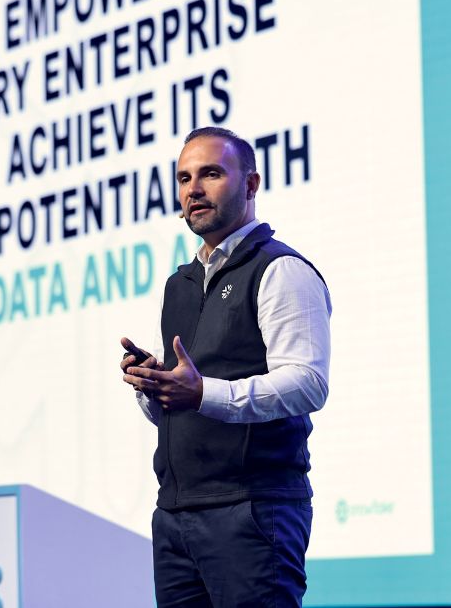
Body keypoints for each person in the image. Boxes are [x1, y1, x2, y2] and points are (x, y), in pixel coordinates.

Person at [120, 126, 331, 607]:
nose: (193, 189)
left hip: (252, 510)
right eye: (183, 177)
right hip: (175, 513)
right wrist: (156, 389)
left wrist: (201, 393)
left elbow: (308, 384)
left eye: (210, 174)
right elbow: (188, 401)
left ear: (251, 185)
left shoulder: (280, 270)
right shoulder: (180, 284)